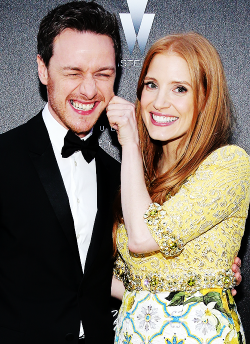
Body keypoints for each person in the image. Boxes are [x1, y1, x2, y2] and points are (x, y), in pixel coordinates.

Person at [107, 32, 250, 343]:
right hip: (133, 334)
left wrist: (129, 143)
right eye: (151, 85)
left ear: (205, 98)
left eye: (180, 89)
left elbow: (143, 239)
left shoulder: (229, 164)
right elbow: (126, 284)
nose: (159, 102)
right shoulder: (139, 180)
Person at [0, 2, 121, 344]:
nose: (88, 90)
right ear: (43, 70)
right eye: (73, 72)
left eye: (103, 74)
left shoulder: (118, 175)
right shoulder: (4, 157)